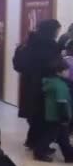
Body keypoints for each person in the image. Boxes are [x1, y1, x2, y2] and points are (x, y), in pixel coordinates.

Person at [13, 19, 62, 149]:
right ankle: (40, 147)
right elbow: (55, 65)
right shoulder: (50, 45)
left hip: (28, 83)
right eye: (57, 30)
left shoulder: (27, 43)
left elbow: (17, 64)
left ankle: (32, 140)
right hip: (45, 83)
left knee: (34, 114)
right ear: (51, 30)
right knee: (43, 115)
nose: (58, 33)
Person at [34, 58, 73, 162]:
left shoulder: (50, 82)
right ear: (59, 71)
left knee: (62, 136)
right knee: (50, 135)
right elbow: (62, 102)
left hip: (51, 114)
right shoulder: (60, 85)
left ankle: (69, 155)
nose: (68, 72)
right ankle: (39, 152)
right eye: (66, 70)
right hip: (58, 115)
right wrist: (65, 117)